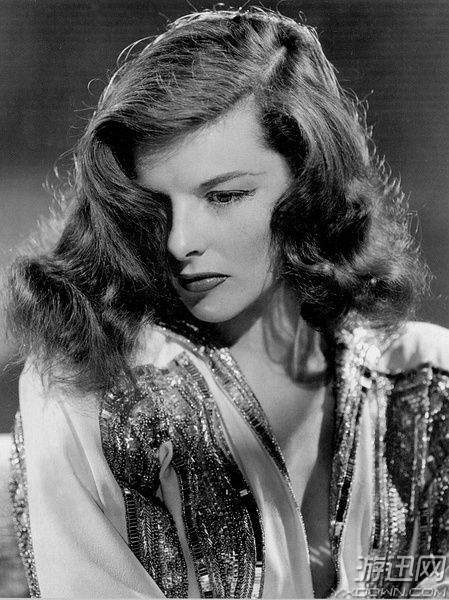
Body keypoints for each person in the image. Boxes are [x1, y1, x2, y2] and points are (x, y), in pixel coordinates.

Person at [5, 7, 449, 599]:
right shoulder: (85, 388)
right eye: (156, 205)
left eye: (223, 196)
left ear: (309, 184)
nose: (179, 241)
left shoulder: (429, 380)